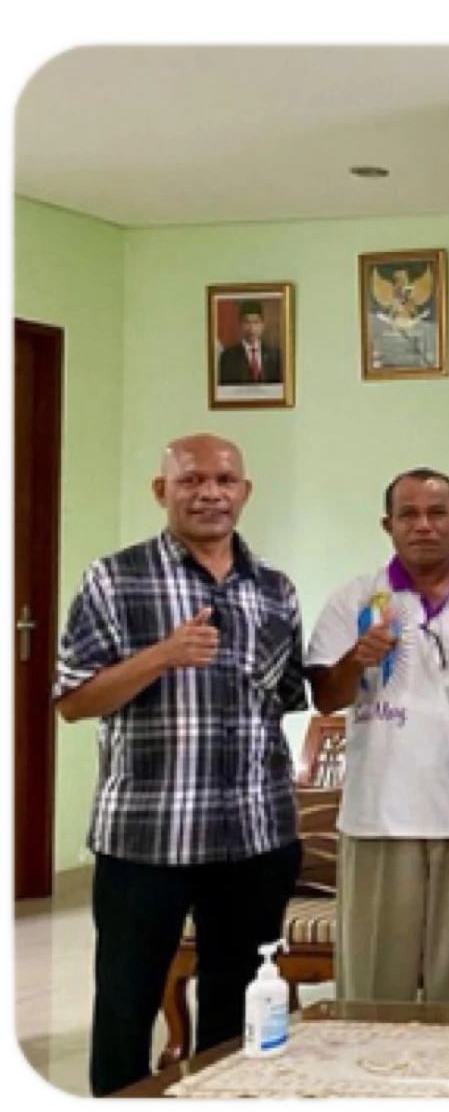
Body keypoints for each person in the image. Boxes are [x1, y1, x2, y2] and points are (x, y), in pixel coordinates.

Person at [53, 435, 306, 1095]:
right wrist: (161, 655)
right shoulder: (114, 578)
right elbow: (73, 701)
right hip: (147, 835)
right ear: (161, 490)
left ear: (245, 491)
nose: (209, 493)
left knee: (239, 1004)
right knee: (126, 1001)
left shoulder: (275, 588)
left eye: (224, 479)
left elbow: (283, 699)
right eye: (191, 480)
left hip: (255, 833)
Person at [305, 468, 449, 1006]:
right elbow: (326, 698)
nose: (423, 525)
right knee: (373, 988)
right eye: (408, 514)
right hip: (378, 817)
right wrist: (354, 660)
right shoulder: (355, 598)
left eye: (436, 513)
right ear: (388, 525)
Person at [216, 301, 283, 385]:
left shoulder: (275, 355)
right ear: (240, 325)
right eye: (247, 322)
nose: (252, 328)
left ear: (263, 325)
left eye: (256, 322)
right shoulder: (227, 356)